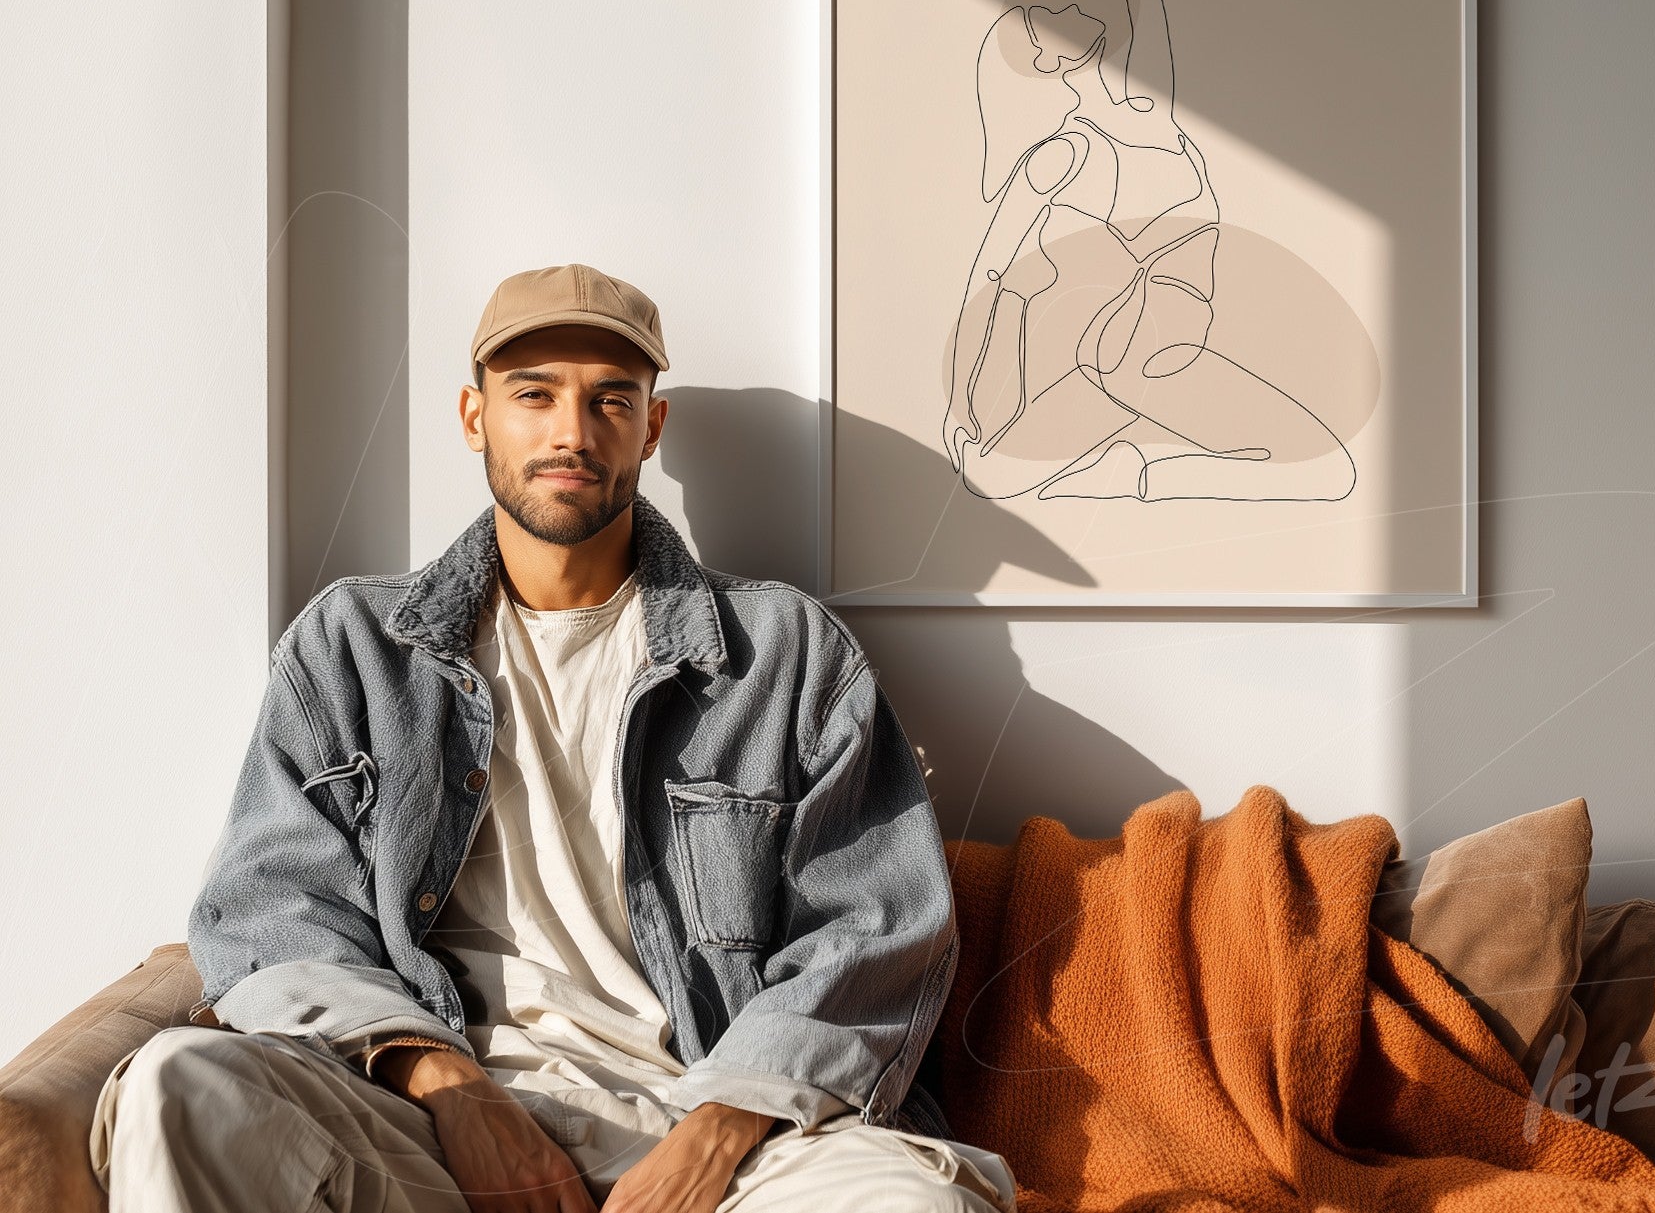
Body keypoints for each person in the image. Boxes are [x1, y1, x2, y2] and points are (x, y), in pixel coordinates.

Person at [93, 263, 1016, 1213]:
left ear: (650, 426)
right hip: (423, 1125)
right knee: (177, 1086)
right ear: (474, 417)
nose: (571, 432)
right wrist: (453, 1090)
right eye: (533, 395)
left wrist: (716, 1131)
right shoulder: (353, 647)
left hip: (712, 1117)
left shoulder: (782, 651)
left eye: (609, 399)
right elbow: (269, 911)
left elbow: (875, 926)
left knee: (922, 1202)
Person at [942, 0, 1357, 505]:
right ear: (1048, 63)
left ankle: (1119, 471)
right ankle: (1094, 468)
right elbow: (992, 276)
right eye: (1047, 20)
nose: (1066, 6)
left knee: (1327, 471)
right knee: (1327, 472)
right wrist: (962, 403)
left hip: (1151, 344)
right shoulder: (1073, 149)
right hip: (1141, 342)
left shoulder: (1141, 105)